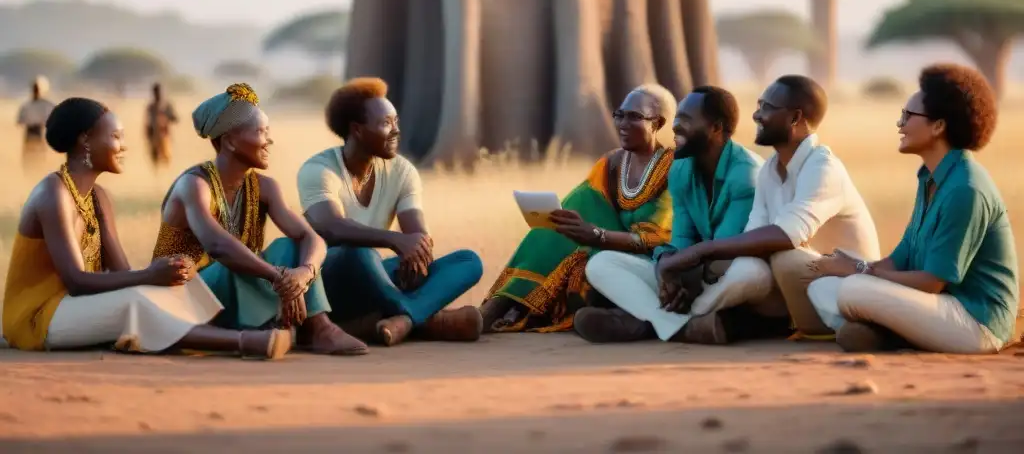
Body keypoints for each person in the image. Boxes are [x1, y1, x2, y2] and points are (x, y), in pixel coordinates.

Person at [3, 97, 290, 359]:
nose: (124, 146)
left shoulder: (99, 198)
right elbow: (76, 282)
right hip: (39, 317)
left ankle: (225, 330)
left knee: (178, 285)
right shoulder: (53, 194)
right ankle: (244, 342)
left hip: (76, 307)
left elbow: (122, 274)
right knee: (136, 301)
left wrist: (168, 273)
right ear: (85, 140)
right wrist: (149, 275)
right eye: (115, 136)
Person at [807, 64, 1020, 354]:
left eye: (908, 116)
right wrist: (846, 267)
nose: (900, 124)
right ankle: (885, 334)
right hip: (936, 306)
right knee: (823, 286)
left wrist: (857, 271)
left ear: (938, 126)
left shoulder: (965, 189)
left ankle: (886, 335)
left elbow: (932, 283)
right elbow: (900, 259)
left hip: (975, 322)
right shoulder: (929, 178)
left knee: (853, 289)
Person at [654, 75, 880, 344]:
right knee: (746, 267)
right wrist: (672, 264)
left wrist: (699, 252)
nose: (756, 115)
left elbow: (788, 235)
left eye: (766, 108)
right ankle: (687, 317)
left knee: (784, 259)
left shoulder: (823, 167)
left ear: (795, 119)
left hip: (844, 288)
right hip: (796, 290)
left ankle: (678, 321)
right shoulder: (769, 171)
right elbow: (751, 237)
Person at [151, 83, 367, 356]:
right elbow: (218, 247)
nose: (269, 140)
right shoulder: (194, 185)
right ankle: (276, 327)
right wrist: (279, 278)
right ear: (229, 140)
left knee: (290, 246)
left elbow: (310, 237)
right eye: (261, 132)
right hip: (187, 297)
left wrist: (303, 274)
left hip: (237, 292)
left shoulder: (264, 188)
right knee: (232, 262)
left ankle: (319, 327)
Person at [298, 78, 484, 347]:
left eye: (396, 121)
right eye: (386, 123)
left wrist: (418, 255)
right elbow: (332, 228)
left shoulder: (402, 171)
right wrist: (395, 240)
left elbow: (417, 235)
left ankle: (401, 321)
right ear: (357, 130)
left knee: (468, 261)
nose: (396, 131)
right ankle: (429, 319)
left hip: (374, 279)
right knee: (358, 252)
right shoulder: (318, 170)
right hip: (329, 284)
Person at [480, 84, 677, 334]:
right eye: (620, 114)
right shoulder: (611, 163)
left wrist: (597, 235)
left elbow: (658, 238)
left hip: (652, 261)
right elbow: (584, 206)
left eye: (635, 117)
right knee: (573, 209)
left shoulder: (673, 168)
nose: (623, 124)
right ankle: (503, 303)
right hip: (603, 250)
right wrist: (578, 227)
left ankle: (507, 307)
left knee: (590, 248)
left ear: (657, 124)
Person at [580, 86, 762, 342]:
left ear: (716, 128)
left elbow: (722, 250)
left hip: (728, 270)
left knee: (750, 272)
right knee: (601, 264)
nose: (675, 126)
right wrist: (666, 267)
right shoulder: (680, 168)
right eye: (677, 118)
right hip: (697, 271)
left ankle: (647, 322)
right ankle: (681, 326)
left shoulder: (745, 175)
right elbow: (681, 239)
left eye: (686, 120)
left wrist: (673, 268)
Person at [17, 77, 55, 173]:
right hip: (30, 134)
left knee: (39, 157)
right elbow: (20, 121)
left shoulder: (47, 105)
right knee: (29, 158)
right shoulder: (27, 105)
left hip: (40, 133)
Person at [145, 82, 178, 171]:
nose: (158, 95)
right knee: (154, 154)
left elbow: (175, 118)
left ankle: (167, 171)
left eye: (159, 92)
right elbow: (147, 121)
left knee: (166, 154)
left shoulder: (167, 105)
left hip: (165, 134)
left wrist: (168, 116)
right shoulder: (151, 106)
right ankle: (156, 173)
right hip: (154, 134)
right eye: (156, 93)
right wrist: (148, 132)